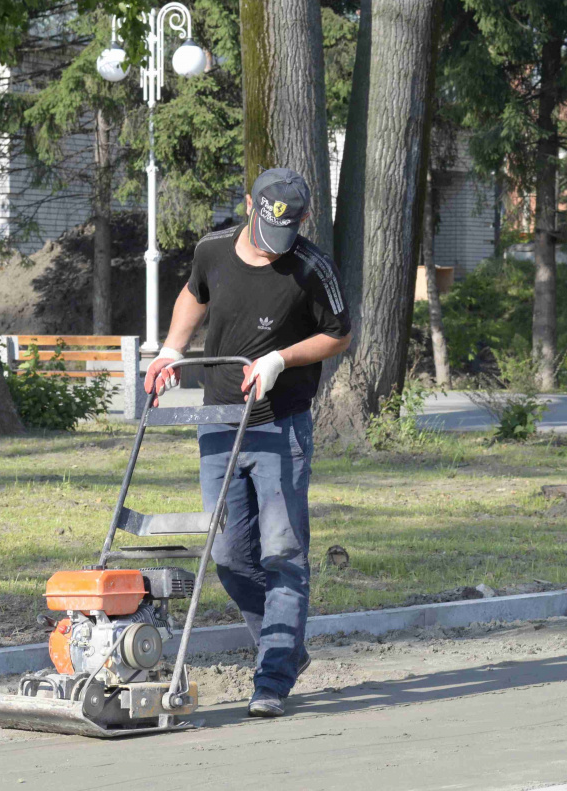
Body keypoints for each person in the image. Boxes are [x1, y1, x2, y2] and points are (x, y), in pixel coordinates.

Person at [144, 168, 351, 717]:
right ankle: (285, 645)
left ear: (303, 220)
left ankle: (273, 675)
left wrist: (281, 359)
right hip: (219, 420)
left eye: (287, 231)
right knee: (231, 555)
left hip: (280, 425)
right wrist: (170, 349)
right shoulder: (213, 248)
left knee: (282, 553)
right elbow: (195, 293)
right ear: (249, 205)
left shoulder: (312, 267)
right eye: (266, 229)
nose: (272, 245)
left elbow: (340, 334)